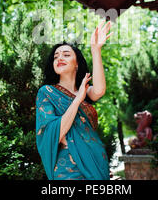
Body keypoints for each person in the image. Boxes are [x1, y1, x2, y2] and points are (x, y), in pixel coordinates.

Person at [35, 20, 113, 180]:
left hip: (96, 161)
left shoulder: (84, 90)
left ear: (77, 64)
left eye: (66, 54)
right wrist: (77, 100)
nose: (59, 58)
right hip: (68, 167)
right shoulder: (47, 92)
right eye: (56, 56)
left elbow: (99, 90)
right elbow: (52, 133)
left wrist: (95, 50)